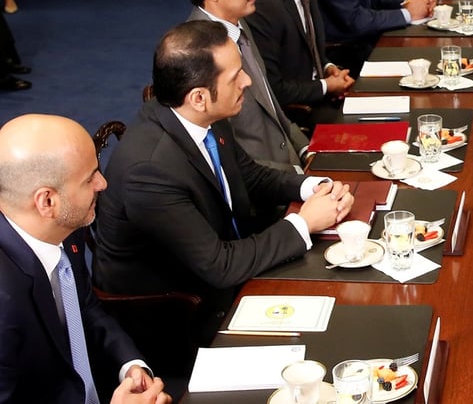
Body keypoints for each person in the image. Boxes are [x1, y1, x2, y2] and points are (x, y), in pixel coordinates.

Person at [92, 21, 353, 340]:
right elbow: (219, 265)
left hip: (225, 260)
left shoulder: (202, 115)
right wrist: (304, 222)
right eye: (235, 77)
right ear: (199, 97)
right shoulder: (149, 170)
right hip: (180, 316)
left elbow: (250, 175)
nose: (247, 82)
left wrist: (311, 186)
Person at [0, 114, 172, 403]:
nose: (103, 183)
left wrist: (130, 365)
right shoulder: (4, 304)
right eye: (89, 177)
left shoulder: (64, 226)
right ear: (47, 202)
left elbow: (84, 307)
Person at [183, 0, 311, 173]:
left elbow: (271, 105)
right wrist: (298, 176)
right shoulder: (196, 55)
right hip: (262, 193)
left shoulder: (239, 26)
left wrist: (307, 150)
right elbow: (223, 158)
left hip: (292, 166)